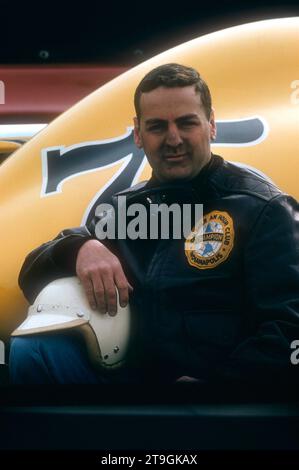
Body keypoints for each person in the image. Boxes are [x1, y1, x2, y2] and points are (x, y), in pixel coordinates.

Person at [9, 63, 299, 388]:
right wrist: (78, 248)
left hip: (220, 401)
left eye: (186, 123)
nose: (173, 139)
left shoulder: (266, 209)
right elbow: (31, 279)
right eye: (157, 127)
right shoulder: (122, 211)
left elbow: (290, 330)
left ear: (211, 124)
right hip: (130, 394)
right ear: (138, 133)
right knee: (32, 351)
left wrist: (217, 384)